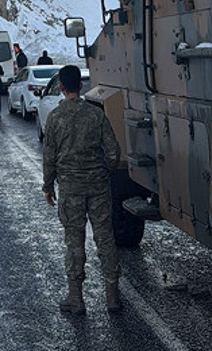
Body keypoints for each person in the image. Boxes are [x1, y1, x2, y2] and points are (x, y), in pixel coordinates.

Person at [42, 65, 122, 315]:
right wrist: (103, 173)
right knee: (105, 238)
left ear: (62, 88)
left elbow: (49, 157)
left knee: (74, 242)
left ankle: (76, 297)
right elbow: (113, 151)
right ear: (80, 86)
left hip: (71, 188)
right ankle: (112, 296)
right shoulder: (95, 115)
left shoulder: (55, 118)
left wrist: (48, 186)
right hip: (97, 186)